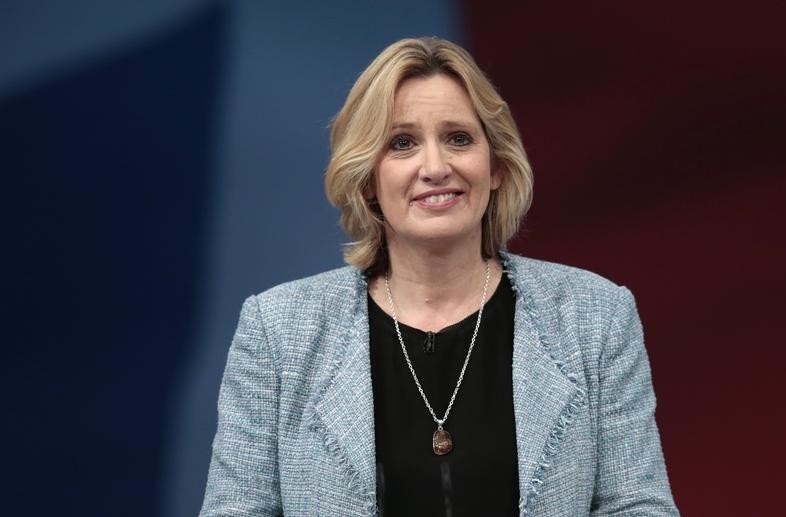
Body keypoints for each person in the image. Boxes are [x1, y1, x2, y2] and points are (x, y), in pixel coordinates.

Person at [200, 37, 679, 516]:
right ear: (367, 178)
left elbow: (638, 505)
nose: (435, 167)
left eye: (459, 138)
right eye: (402, 143)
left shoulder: (596, 316)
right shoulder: (277, 330)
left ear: (495, 165)